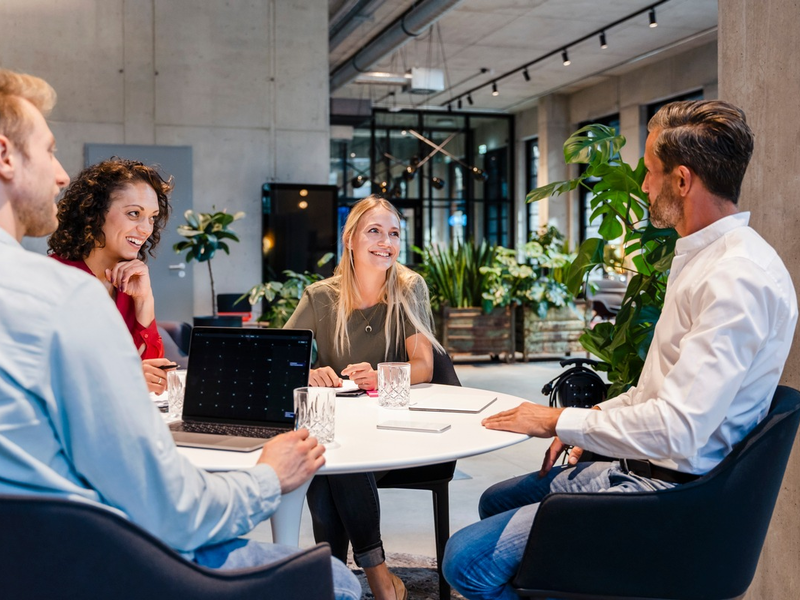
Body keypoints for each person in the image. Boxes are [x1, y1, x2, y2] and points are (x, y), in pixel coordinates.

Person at [0, 68, 361, 600]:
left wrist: (144, 313)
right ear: (6, 156)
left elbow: (152, 376)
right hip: (97, 560)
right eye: (49, 151)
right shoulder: (62, 297)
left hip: (28, 561)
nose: (60, 174)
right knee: (337, 581)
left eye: (150, 217)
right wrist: (268, 476)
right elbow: (172, 511)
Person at [442, 100, 798, 600]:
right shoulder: (707, 258)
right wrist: (585, 423)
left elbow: (678, 428)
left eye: (651, 172)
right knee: (497, 500)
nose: (645, 186)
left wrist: (555, 419)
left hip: (667, 497)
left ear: (682, 180)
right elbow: (656, 392)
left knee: (465, 562)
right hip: (645, 468)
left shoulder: (736, 278)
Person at [286, 195, 444, 600]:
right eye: (374, 231)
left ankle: (356, 577)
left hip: (397, 431)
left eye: (394, 233)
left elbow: (424, 365)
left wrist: (379, 375)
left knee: (336, 456)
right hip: (343, 431)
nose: (385, 242)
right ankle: (363, 578)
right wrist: (308, 371)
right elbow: (282, 360)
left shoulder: (409, 288)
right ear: (350, 239)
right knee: (329, 454)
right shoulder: (321, 296)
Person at [47, 159, 173, 394]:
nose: (147, 229)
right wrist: (126, 379)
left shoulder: (130, 283)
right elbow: (48, 378)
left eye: (152, 217)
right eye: (134, 213)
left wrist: (145, 301)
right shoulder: (53, 280)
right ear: (94, 213)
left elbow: (153, 375)